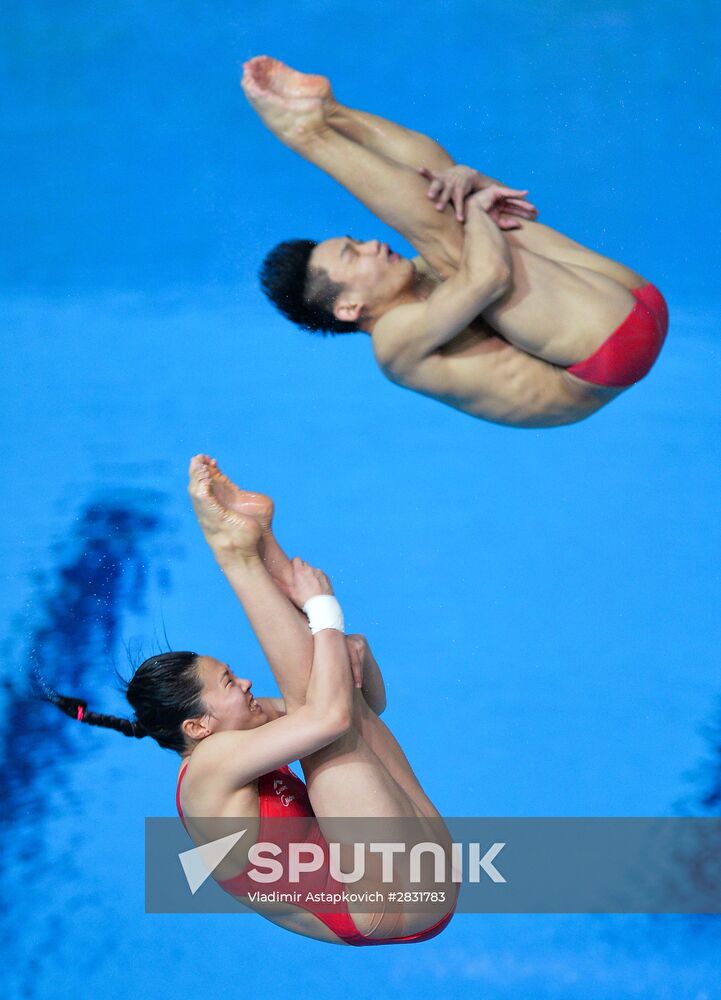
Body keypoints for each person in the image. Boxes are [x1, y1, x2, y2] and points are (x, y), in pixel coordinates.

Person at [47, 455, 456, 946]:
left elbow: (366, 703)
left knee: (335, 704)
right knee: (323, 715)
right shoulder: (210, 765)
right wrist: (324, 612)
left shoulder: (243, 730)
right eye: (227, 683)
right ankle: (236, 554)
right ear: (197, 727)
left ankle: (257, 539)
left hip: (422, 878)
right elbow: (327, 716)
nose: (244, 683)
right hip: (384, 903)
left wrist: (356, 654)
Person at [243, 56, 668, 429]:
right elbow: (490, 276)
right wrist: (476, 207)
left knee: (450, 200)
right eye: (353, 255)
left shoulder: (425, 272)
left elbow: (517, 213)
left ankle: (332, 113)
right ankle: (308, 134)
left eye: (358, 241)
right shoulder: (393, 342)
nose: (372, 243)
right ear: (349, 307)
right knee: (450, 228)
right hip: (607, 350)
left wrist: (471, 181)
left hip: (628, 304)